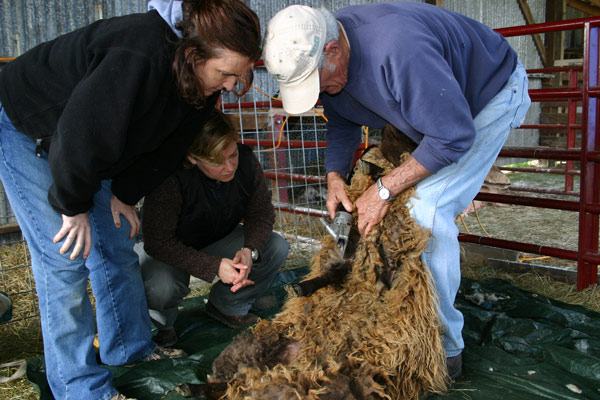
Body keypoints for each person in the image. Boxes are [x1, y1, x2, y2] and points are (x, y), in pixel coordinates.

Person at [0, 0, 261, 398]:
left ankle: (130, 349)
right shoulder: (138, 53)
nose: (229, 85)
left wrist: (124, 194)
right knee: (64, 260)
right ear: (193, 55)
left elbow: (167, 147)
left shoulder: (198, 85)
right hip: (28, 125)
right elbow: (79, 133)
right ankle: (81, 388)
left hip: (86, 149)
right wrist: (73, 207)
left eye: (238, 77)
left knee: (116, 242)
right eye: (226, 74)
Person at [263, 3, 531, 380]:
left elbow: (453, 136)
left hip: (487, 97)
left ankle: (445, 346)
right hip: (436, 108)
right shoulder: (333, 60)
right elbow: (341, 120)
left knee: (425, 211)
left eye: (317, 81)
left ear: (332, 50)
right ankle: (390, 311)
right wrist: (335, 175)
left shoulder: (397, 51)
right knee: (393, 191)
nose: (320, 91)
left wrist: (384, 190)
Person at [138, 112, 288, 346]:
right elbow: (157, 242)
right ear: (193, 157)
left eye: (233, 155)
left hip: (216, 239)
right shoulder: (170, 177)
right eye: (217, 161)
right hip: (170, 251)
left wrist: (250, 249)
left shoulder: (246, 162)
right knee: (160, 285)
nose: (229, 167)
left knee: (275, 247)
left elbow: (261, 213)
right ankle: (159, 325)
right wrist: (214, 266)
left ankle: (227, 305)